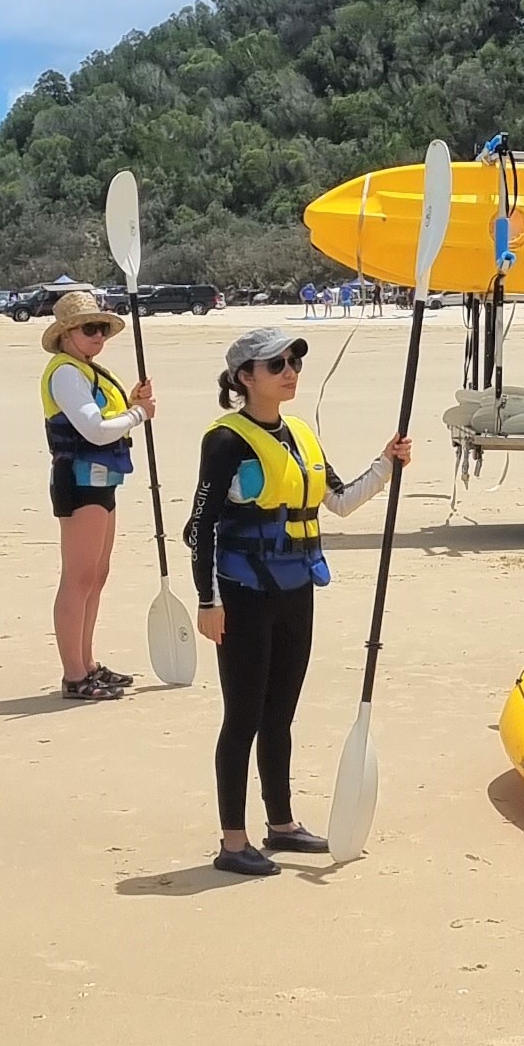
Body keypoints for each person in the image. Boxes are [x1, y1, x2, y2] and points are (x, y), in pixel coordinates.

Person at [186, 326, 409, 877]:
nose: (290, 372)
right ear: (245, 378)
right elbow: (201, 527)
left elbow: (339, 501)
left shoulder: (301, 434)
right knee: (242, 718)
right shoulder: (226, 441)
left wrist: (386, 465)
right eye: (276, 364)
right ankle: (232, 841)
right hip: (241, 595)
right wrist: (207, 601)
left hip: (296, 590)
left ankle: (281, 825)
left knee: (280, 714)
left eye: (294, 362)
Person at [40, 288, 154, 704]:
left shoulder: (88, 369)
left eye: (102, 329)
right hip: (80, 478)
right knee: (79, 577)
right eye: (90, 329)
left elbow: (107, 418)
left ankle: (86, 662)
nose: (98, 337)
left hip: (103, 478)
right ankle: (74, 674)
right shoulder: (66, 372)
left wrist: (131, 404)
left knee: (97, 575)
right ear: (67, 333)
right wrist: (139, 414)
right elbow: (94, 429)